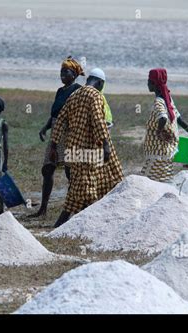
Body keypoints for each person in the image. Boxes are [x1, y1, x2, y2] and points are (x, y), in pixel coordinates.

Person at [50, 68, 123, 227]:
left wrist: (54, 146)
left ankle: (66, 222)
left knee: (78, 186)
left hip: (73, 150)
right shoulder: (95, 96)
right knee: (87, 189)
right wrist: (105, 144)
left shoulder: (74, 95)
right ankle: (86, 224)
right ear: (101, 83)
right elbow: (98, 120)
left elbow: (60, 120)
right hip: (88, 151)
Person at [28, 56, 84, 217]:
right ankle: (43, 208)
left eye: (65, 72)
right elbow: (55, 113)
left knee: (70, 171)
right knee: (47, 169)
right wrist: (45, 127)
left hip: (68, 134)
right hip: (55, 133)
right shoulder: (60, 91)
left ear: (74, 74)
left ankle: (73, 207)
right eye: (61, 72)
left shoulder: (77, 90)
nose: (62, 75)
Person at [142, 68, 188, 182]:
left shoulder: (159, 102)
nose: (147, 83)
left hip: (157, 151)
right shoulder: (168, 100)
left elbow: (163, 117)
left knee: (147, 180)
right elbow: (179, 120)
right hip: (168, 151)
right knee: (165, 180)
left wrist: (159, 132)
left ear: (154, 83)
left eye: (149, 81)